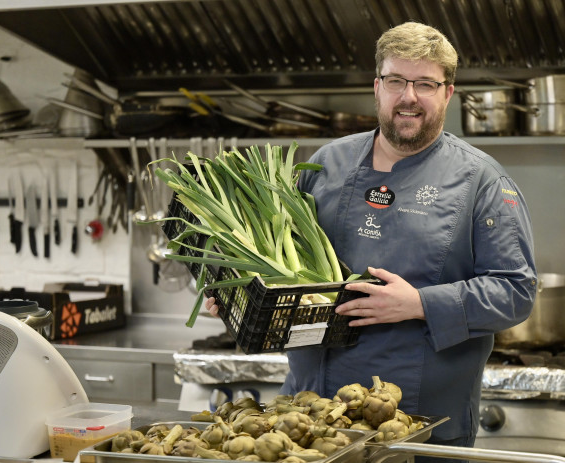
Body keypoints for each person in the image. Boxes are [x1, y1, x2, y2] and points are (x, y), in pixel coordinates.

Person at [207, 21, 537, 450]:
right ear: (377, 86)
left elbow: (516, 290)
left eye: (425, 83)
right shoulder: (327, 163)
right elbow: (286, 269)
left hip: (419, 424)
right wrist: (240, 295)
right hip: (309, 419)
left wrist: (419, 304)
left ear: (448, 93)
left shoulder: (482, 179)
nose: (409, 97)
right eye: (396, 80)